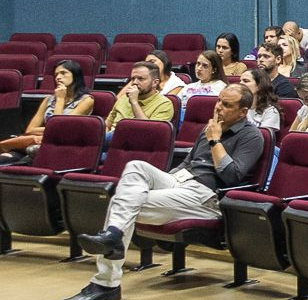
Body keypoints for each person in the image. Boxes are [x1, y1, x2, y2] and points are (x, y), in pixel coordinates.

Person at [69, 84, 265, 300]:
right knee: (136, 166)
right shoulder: (210, 127)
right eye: (219, 100)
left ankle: (106, 283)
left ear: (243, 111)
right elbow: (188, 163)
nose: (218, 107)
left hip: (206, 196)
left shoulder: (251, 136)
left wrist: (214, 140)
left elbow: (231, 176)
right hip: (180, 183)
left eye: (226, 105)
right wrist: (169, 180)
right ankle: (113, 239)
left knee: (123, 204)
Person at [0, 60, 94, 163]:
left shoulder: (86, 100)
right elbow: (30, 129)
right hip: (36, 142)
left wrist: (60, 99)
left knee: (25, 160)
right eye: (56, 74)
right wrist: (48, 131)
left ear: (76, 75)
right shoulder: (48, 100)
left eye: (63, 73)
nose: (58, 77)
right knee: (5, 159)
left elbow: (59, 127)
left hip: (61, 145)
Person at [105, 62, 175, 133]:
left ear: (155, 83)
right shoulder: (123, 98)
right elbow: (107, 125)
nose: (135, 82)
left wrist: (134, 102)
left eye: (140, 79)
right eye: (133, 79)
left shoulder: (164, 104)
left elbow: (148, 132)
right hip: (111, 139)